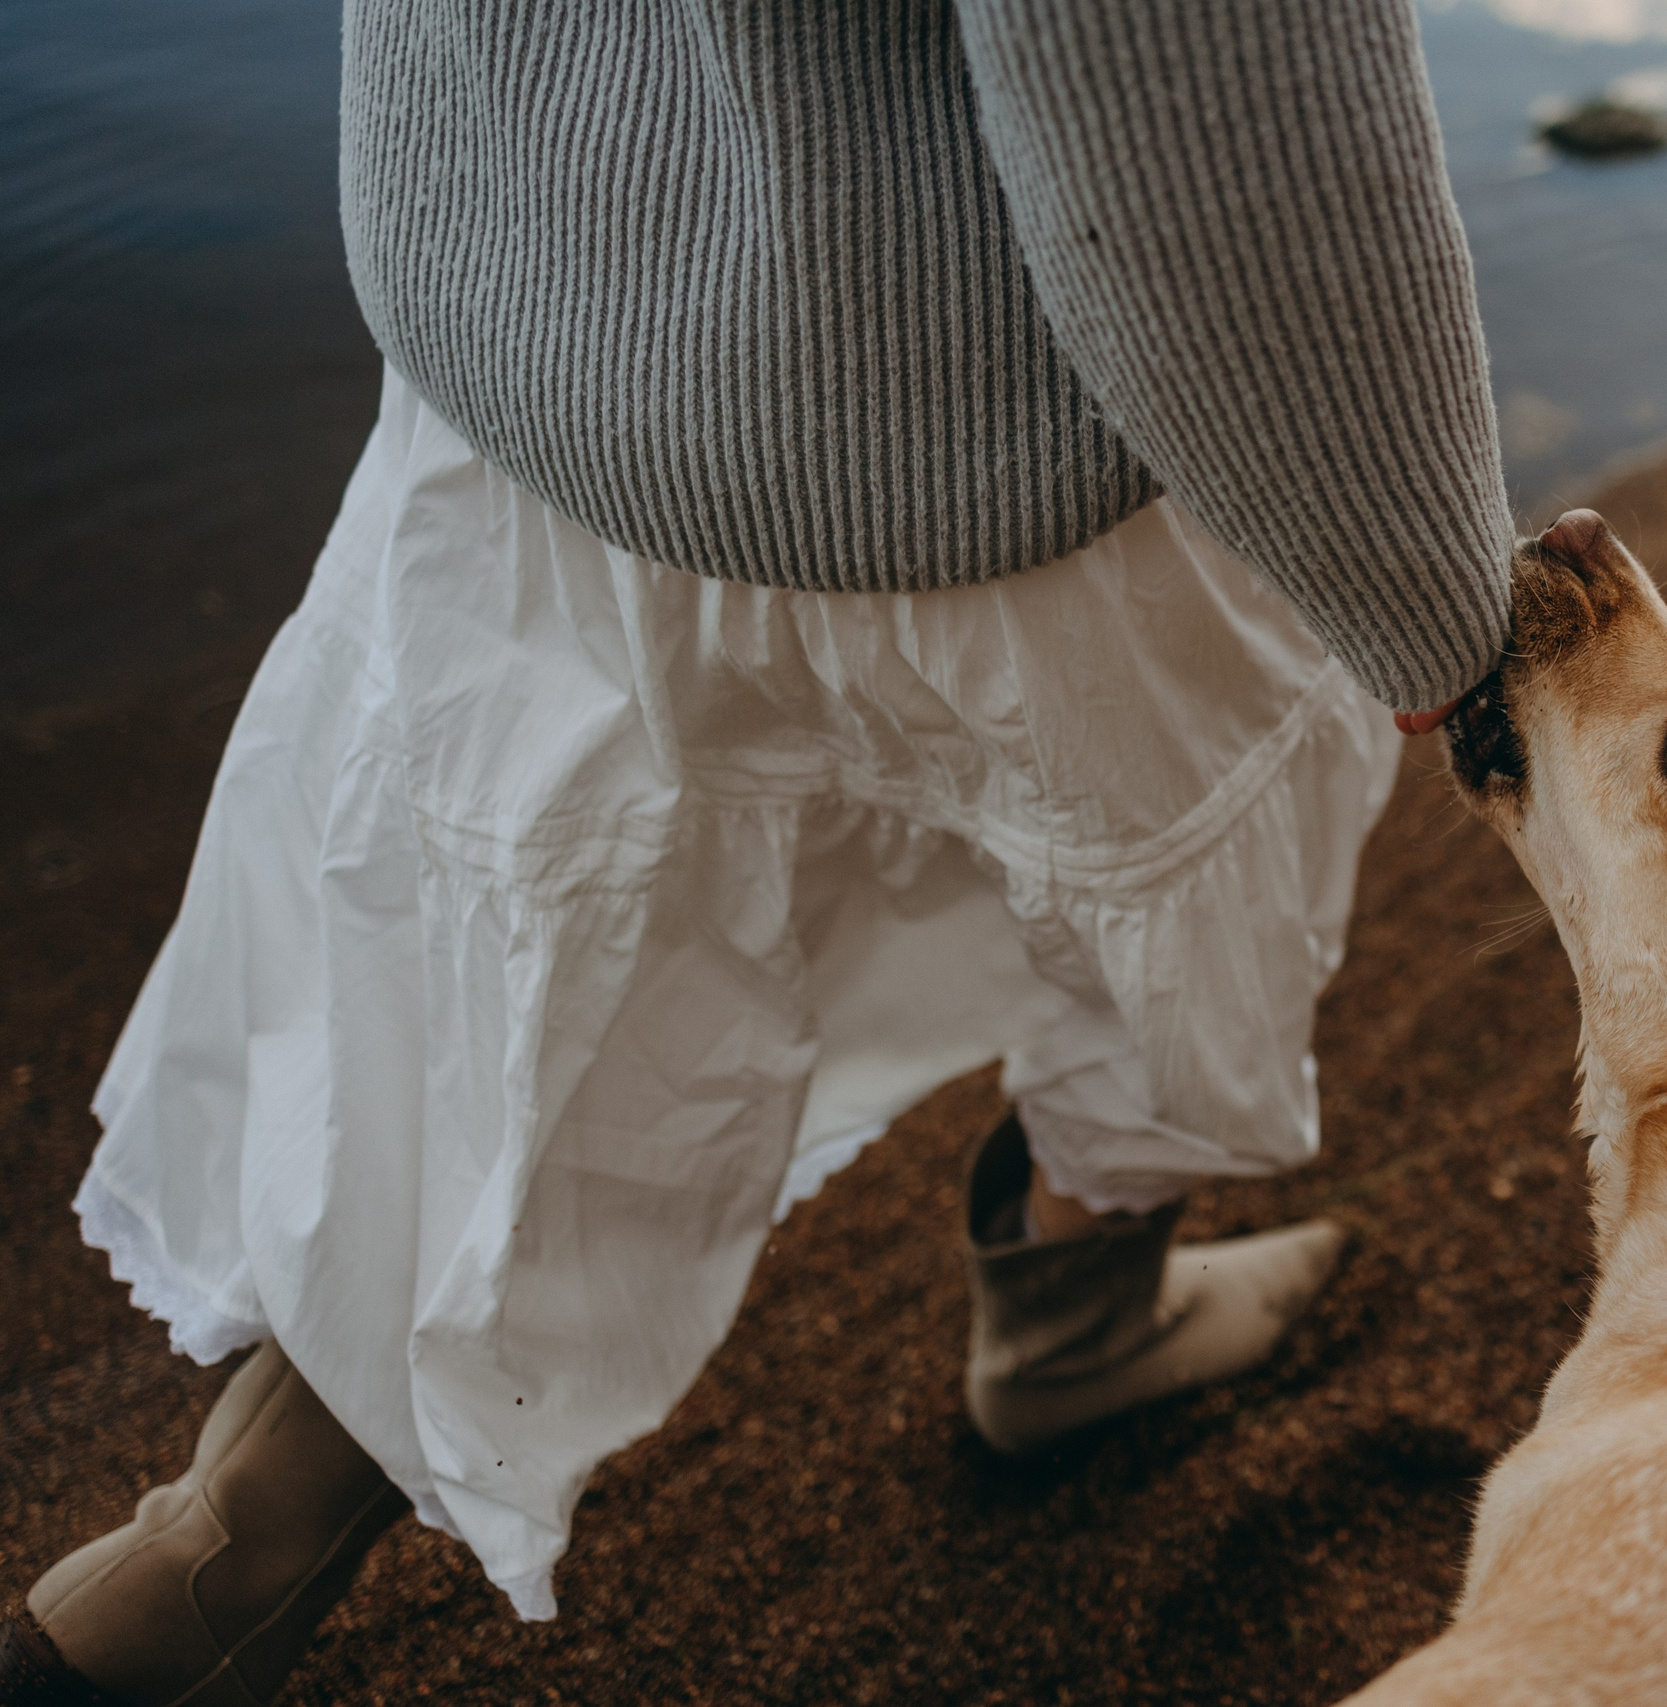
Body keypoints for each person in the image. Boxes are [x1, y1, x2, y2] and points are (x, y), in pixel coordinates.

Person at [0, 1, 1510, 1701]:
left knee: (505, 989)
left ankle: (201, 1570)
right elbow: (1202, 122)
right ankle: (1077, 1325)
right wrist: (1428, 598)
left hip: (526, 332)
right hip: (972, 426)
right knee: (1183, 850)